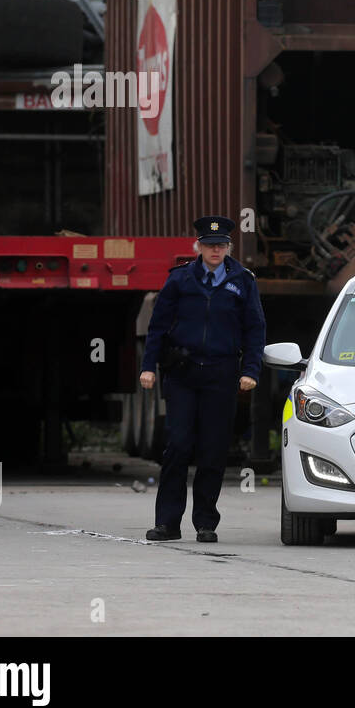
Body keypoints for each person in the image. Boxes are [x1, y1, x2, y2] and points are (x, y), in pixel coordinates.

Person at [139, 215, 266, 543]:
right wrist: (148, 366)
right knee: (178, 446)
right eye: (209, 245)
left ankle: (205, 523)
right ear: (199, 246)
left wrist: (251, 370)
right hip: (183, 373)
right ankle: (167, 522)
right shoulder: (180, 279)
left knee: (213, 450)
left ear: (228, 247)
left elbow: (255, 328)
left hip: (221, 375)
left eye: (221, 245)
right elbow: (157, 326)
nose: (215, 250)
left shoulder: (243, 280)